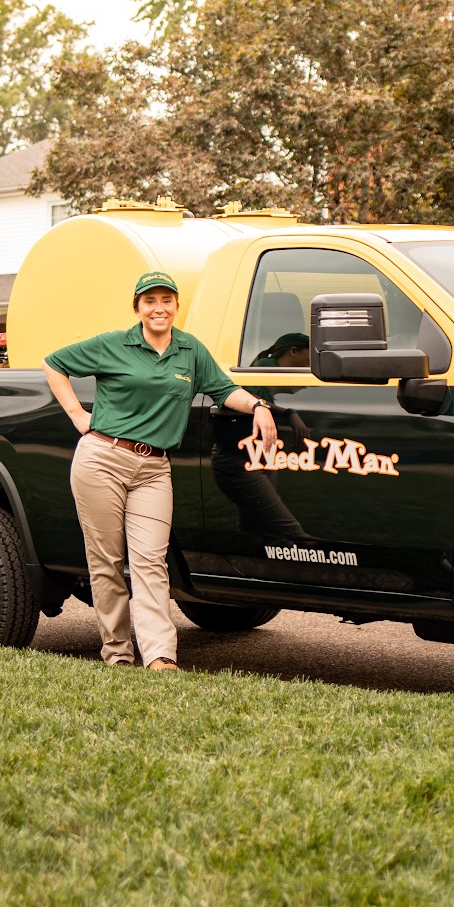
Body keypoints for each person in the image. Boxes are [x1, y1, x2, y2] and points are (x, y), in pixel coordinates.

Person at [43, 270, 277, 670]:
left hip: (154, 469)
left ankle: (159, 656)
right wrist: (78, 415)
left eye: (166, 300)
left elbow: (223, 389)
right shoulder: (113, 344)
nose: (159, 308)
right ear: (137, 308)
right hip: (103, 459)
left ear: (176, 306)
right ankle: (117, 652)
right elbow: (54, 363)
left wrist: (258, 406)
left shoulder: (189, 350)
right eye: (149, 301)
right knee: (107, 562)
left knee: (151, 561)